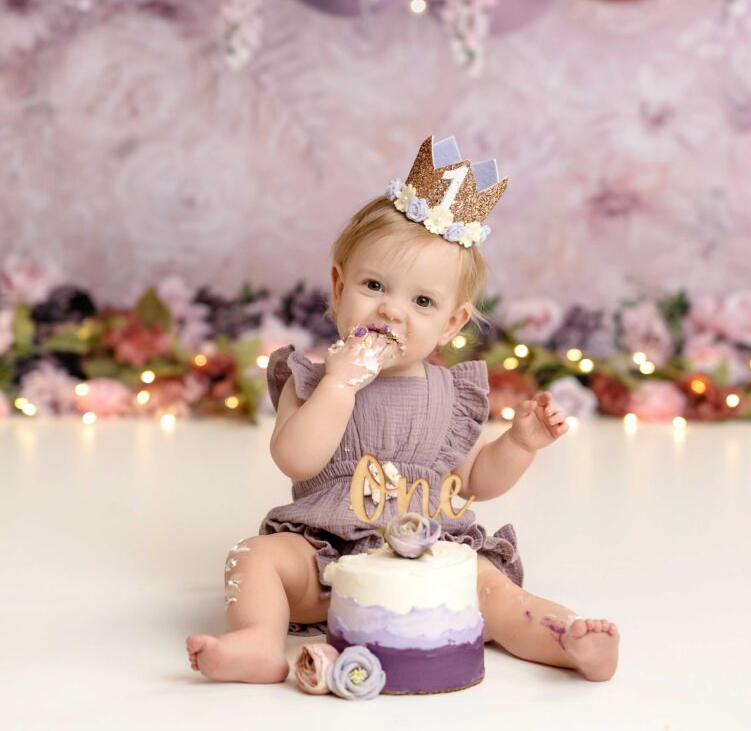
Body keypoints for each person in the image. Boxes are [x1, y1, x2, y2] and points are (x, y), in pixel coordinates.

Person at [187, 135, 619, 684]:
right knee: (254, 557)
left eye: (422, 301)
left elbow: (474, 480)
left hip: (432, 553)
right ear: (339, 287)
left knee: (498, 595)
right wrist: (341, 383)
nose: (392, 311)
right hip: (328, 558)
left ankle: (568, 639)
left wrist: (519, 444)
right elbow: (296, 459)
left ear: (452, 323)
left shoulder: (451, 396)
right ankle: (257, 641)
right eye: (373, 286)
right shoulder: (312, 380)